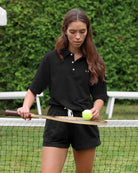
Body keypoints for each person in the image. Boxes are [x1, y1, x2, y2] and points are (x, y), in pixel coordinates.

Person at [17, 9, 107, 173]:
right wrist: (25, 107)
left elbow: (100, 95)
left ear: (88, 31)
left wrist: (96, 109)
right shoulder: (51, 59)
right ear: (65, 30)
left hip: (84, 123)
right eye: (72, 32)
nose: (77, 37)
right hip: (56, 122)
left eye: (82, 31)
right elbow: (33, 89)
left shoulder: (94, 60)